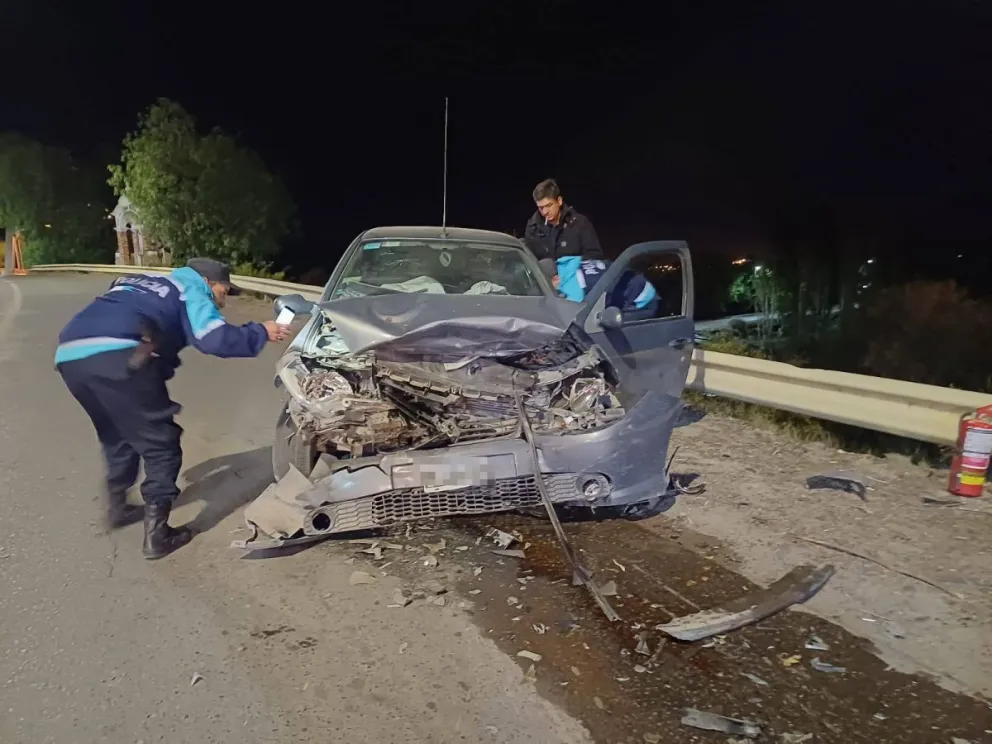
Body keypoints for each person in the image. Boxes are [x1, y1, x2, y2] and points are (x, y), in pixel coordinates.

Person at [55, 258, 291, 559]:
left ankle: (117, 507)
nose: (223, 300)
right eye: (224, 291)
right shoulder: (191, 290)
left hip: (70, 356)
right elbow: (213, 338)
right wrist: (261, 331)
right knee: (161, 444)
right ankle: (158, 536)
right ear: (208, 282)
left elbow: (130, 311)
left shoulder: (139, 280)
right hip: (118, 356)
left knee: (117, 432)